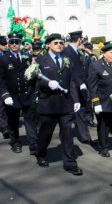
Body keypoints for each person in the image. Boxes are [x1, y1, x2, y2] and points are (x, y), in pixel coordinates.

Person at [34, 33, 83, 175]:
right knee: (46, 132)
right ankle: (41, 153)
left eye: (61, 43)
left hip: (65, 103)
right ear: (48, 44)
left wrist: (76, 100)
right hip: (48, 103)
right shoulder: (41, 60)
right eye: (56, 42)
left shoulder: (67, 59)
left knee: (67, 134)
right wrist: (47, 83)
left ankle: (70, 163)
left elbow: (72, 80)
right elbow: (35, 79)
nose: (59, 45)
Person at [0, 33, 37, 154]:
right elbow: (1, 79)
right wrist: (5, 94)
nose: (14, 44)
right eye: (12, 42)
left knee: (30, 120)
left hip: (27, 94)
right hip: (12, 95)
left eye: (17, 42)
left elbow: (30, 75)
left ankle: (33, 144)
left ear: (21, 43)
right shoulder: (3, 59)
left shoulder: (27, 56)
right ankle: (15, 142)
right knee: (13, 121)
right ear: (8, 43)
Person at [63, 30, 96, 142]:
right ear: (79, 39)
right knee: (70, 113)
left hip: (79, 85)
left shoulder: (76, 51)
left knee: (80, 111)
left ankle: (85, 137)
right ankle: (66, 137)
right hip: (71, 86)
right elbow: (71, 70)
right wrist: (80, 83)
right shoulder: (67, 51)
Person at [0, 35, 10, 139]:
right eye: (3, 44)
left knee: (6, 106)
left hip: (6, 83)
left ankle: (6, 126)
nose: (5, 46)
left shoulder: (7, 54)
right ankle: (4, 127)